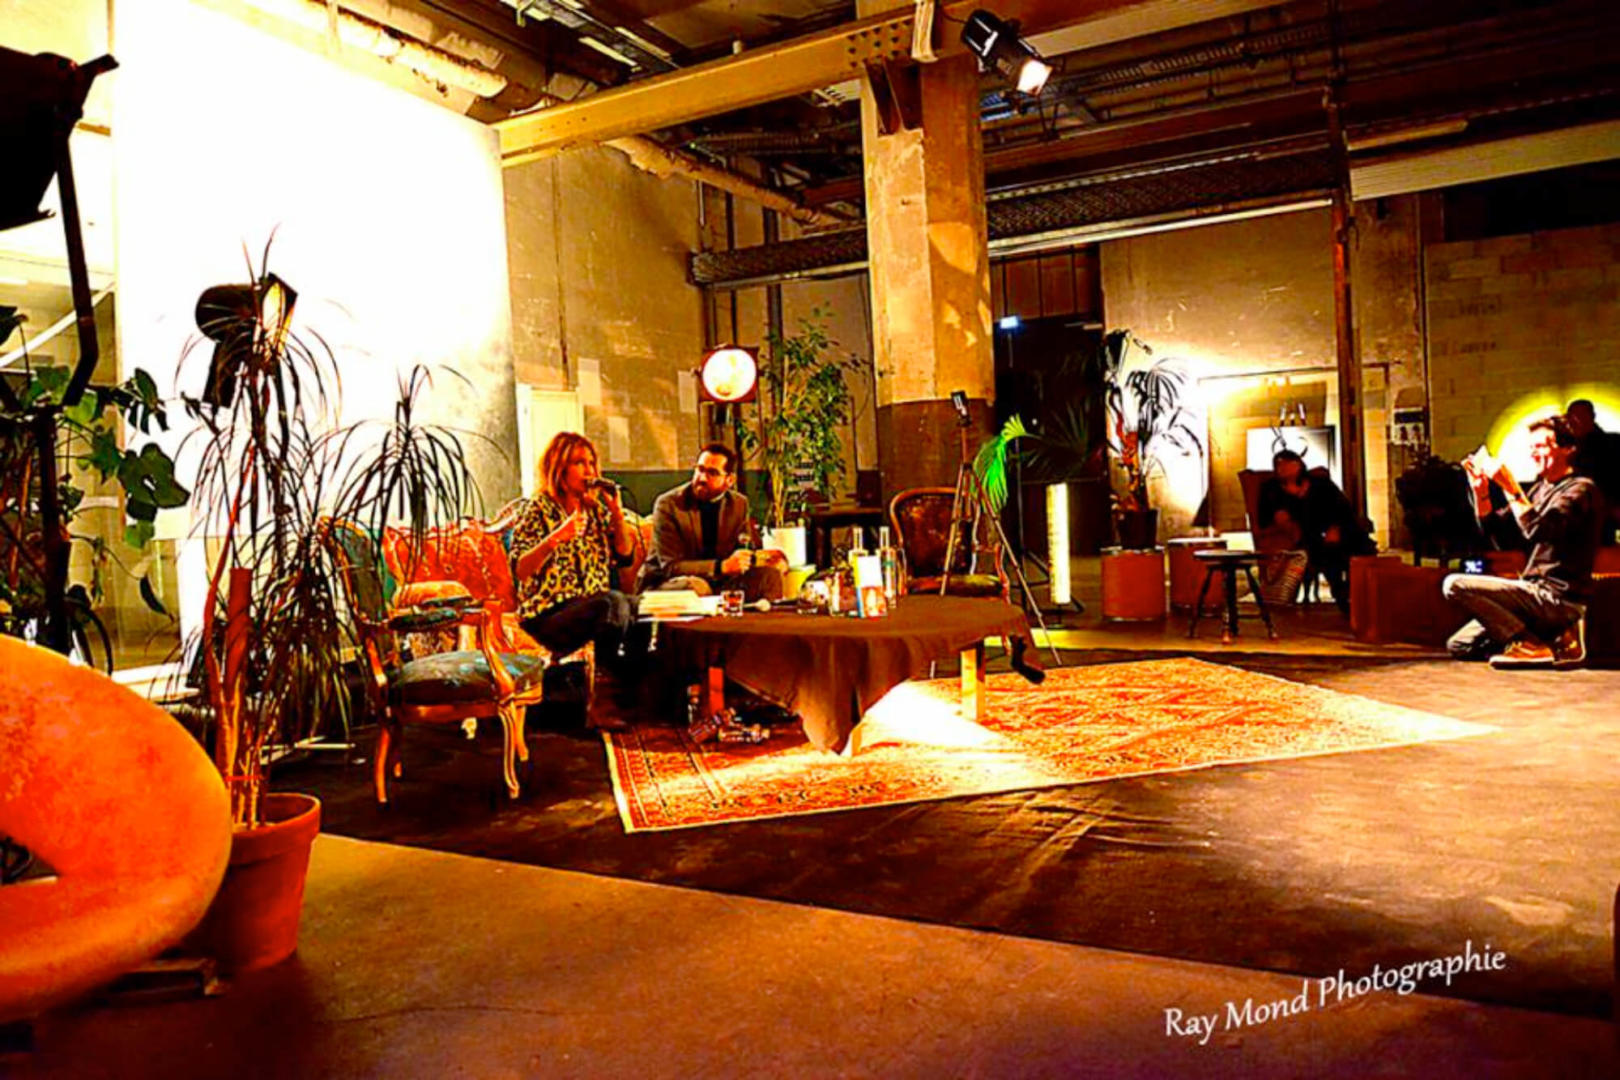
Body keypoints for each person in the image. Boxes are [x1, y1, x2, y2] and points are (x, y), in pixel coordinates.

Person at [1443, 414, 1600, 668]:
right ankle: (1551, 637)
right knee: (1460, 645)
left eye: (1541, 446)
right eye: (1531, 447)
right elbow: (1501, 538)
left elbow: (1538, 530)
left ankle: (1530, 644)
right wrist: (1482, 494)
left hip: (1558, 598)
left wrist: (1511, 488)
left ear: (1568, 449)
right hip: (1531, 594)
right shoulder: (1540, 489)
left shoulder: (1581, 490)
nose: (1533, 453)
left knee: (1454, 584)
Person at [510, 432, 640, 729]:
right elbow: (520, 570)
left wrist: (616, 513)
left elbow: (625, 556)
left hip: (590, 608)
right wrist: (555, 538)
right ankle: (599, 702)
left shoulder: (595, 510)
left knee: (638, 607)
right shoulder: (538, 508)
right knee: (612, 602)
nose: (589, 471)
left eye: (592, 463)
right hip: (547, 616)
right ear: (560, 467)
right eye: (580, 463)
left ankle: (630, 697)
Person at [638, 443, 788, 602]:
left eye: (712, 473)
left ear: (729, 480)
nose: (702, 478)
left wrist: (763, 560)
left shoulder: (739, 504)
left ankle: (756, 618)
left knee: (770, 576)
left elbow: (745, 549)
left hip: (719, 582)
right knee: (695, 587)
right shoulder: (669, 504)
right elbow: (670, 567)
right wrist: (721, 566)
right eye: (700, 469)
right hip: (667, 583)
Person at [1255, 449, 1375, 613]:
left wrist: (1335, 527)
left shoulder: (1320, 483)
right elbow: (1264, 518)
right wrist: (1281, 519)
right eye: (1280, 465)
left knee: (1359, 543)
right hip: (1306, 533)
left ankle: (1363, 591)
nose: (1285, 468)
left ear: (1299, 464)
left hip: (1332, 527)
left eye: (1290, 463)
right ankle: (1341, 594)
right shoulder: (1271, 489)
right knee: (1325, 551)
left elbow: (1343, 507)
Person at [1566, 399, 1620, 544]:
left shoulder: (1612, 444)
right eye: (1571, 417)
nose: (1574, 422)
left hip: (1602, 515)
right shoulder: (1567, 449)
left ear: (1591, 417)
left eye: (1579, 416)